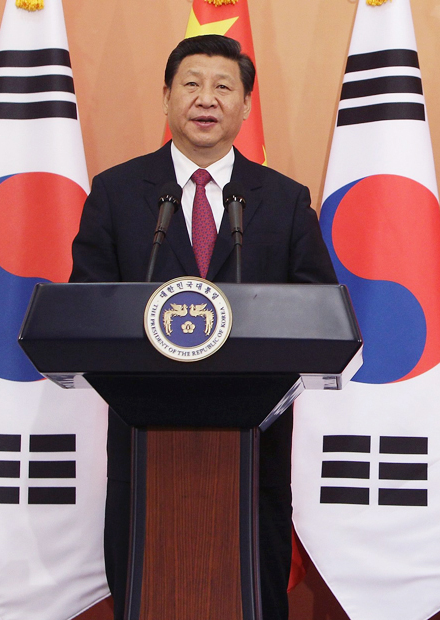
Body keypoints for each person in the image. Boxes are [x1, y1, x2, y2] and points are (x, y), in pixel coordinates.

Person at [69, 35, 336, 620]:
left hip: (255, 445)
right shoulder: (116, 193)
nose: (205, 99)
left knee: (254, 592)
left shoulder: (285, 201)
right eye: (191, 84)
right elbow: (84, 307)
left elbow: (322, 312)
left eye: (223, 87)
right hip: (145, 442)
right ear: (166, 97)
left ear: (245, 107)